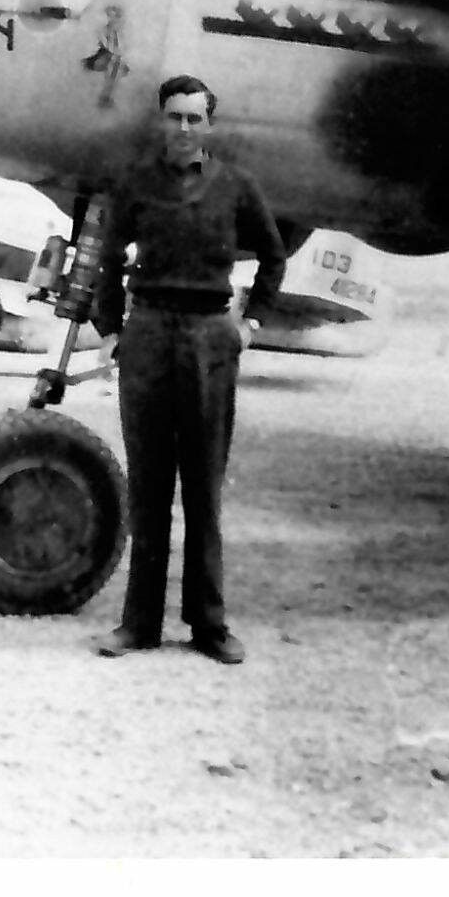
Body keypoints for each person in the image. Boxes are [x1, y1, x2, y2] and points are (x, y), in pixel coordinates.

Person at [91, 74, 287, 663]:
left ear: (209, 125)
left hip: (209, 338)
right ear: (161, 121)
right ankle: (139, 625)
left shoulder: (236, 186)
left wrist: (249, 325)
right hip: (149, 335)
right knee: (148, 489)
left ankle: (210, 626)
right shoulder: (134, 183)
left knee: (203, 491)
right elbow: (106, 259)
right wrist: (110, 331)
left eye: (194, 118)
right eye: (174, 116)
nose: (183, 128)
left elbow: (273, 256)